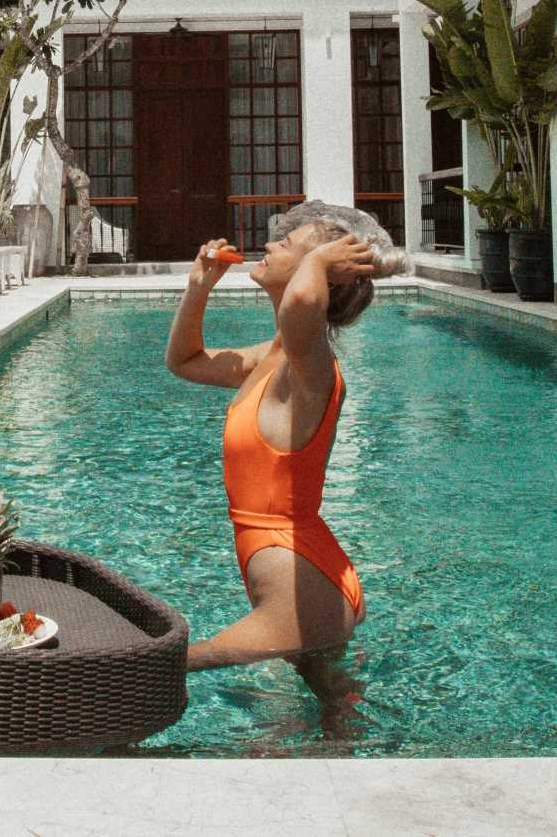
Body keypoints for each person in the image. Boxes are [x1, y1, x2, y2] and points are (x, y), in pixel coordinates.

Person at [165, 209, 405, 709]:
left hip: (301, 598)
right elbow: (184, 362)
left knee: (154, 665)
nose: (271, 245)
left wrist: (319, 261)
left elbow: (300, 306)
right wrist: (199, 287)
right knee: (332, 726)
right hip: (306, 585)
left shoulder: (310, 369)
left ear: (320, 272)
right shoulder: (270, 357)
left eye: (289, 242)